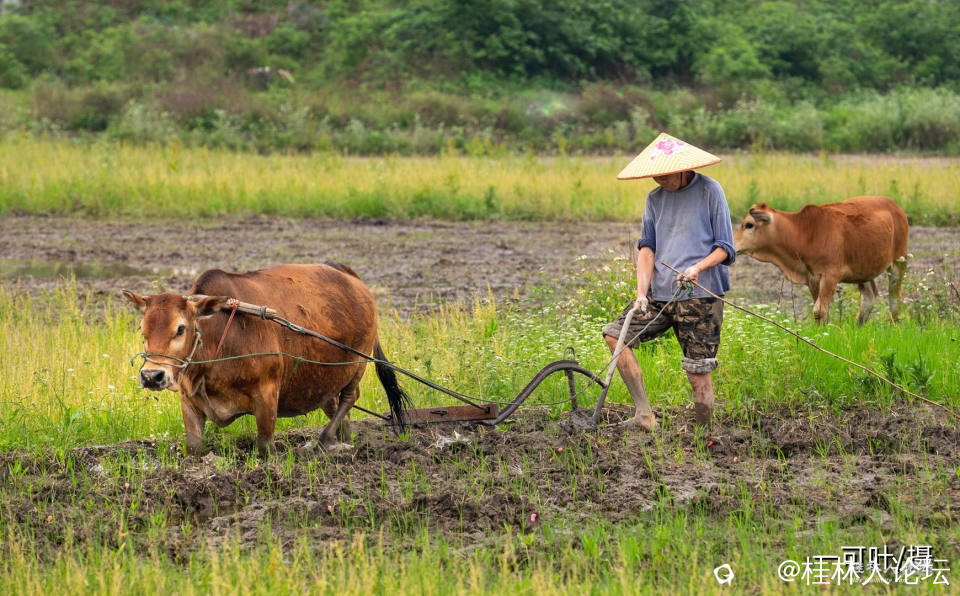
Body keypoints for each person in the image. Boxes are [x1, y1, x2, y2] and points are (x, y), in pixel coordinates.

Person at [602, 132, 735, 430]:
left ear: (682, 168)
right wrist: (641, 293)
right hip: (660, 296)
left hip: (700, 296)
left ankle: (704, 434)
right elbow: (647, 248)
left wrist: (697, 268)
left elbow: (725, 248)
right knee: (615, 336)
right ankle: (644, 415)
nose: (659, 180)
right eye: (655, 175)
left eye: (664, 175)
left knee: (697, 370)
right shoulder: (654, 199)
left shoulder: (710, 192)